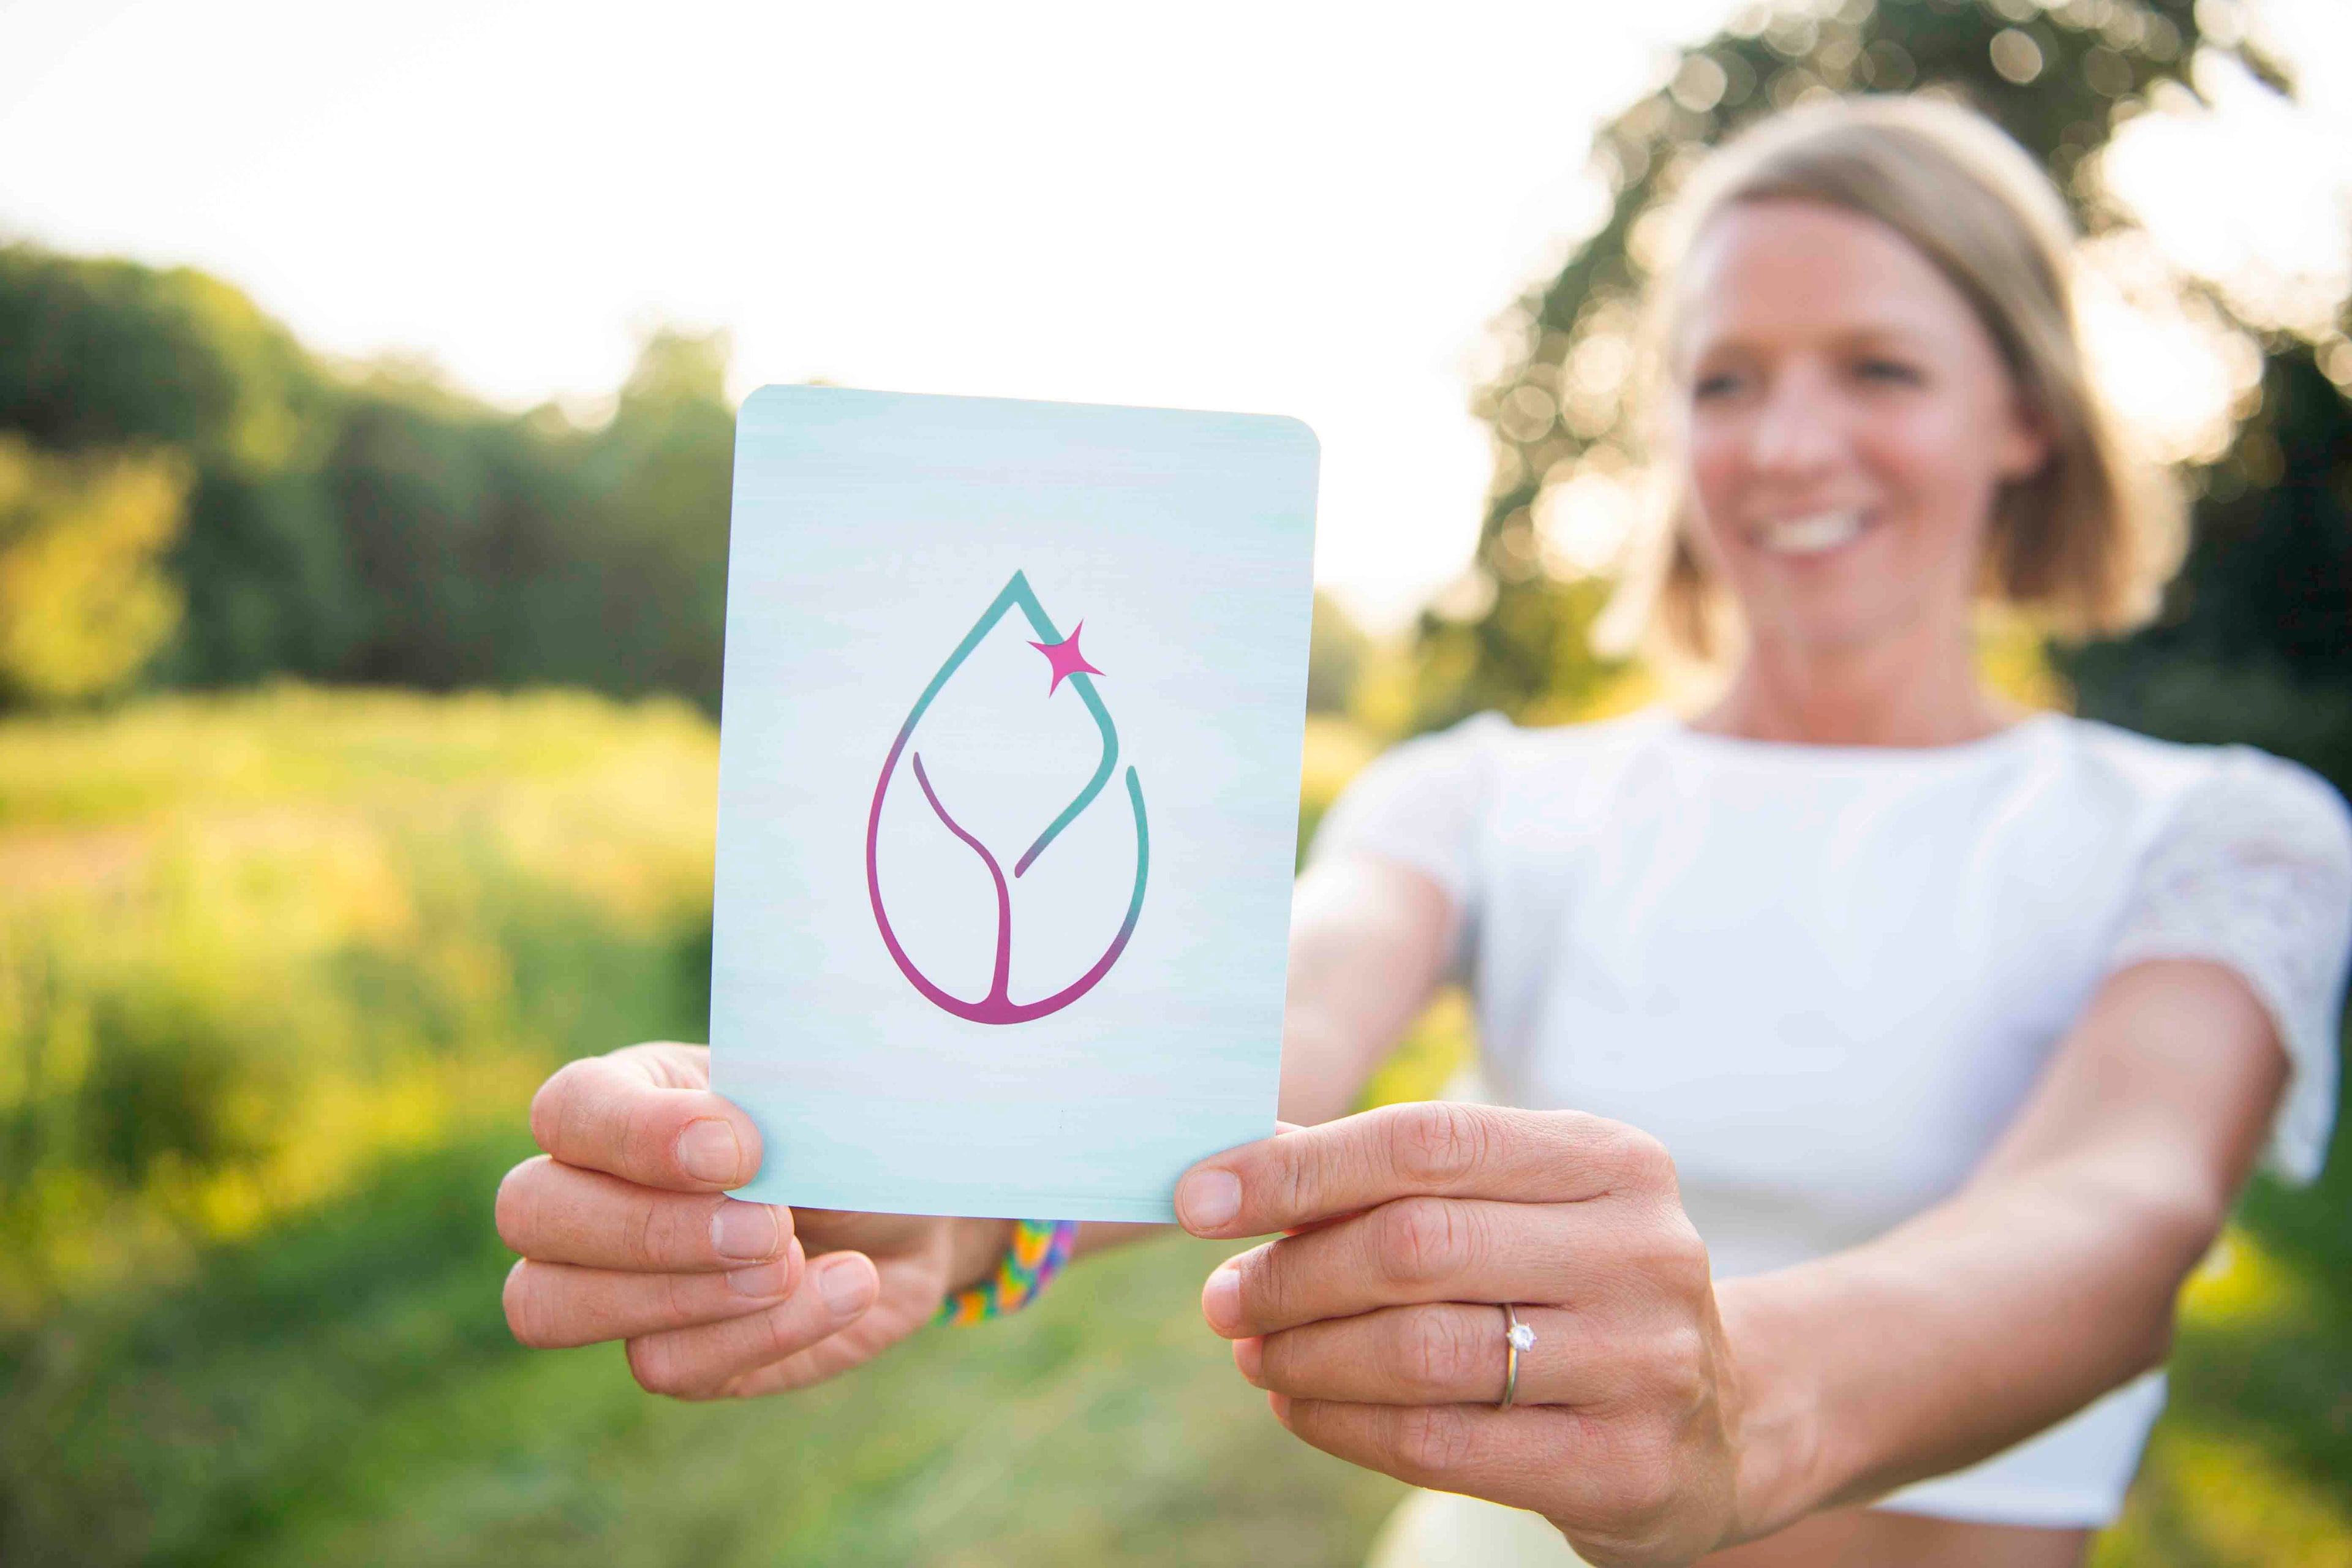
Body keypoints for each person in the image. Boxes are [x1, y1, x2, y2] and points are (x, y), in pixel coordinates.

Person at [490, 97, 2352, 1567]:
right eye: (1724, 379)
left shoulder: (2219, 835)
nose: (1785, 447)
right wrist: (938, 1190)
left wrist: (1741, 1413)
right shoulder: (1487, 791)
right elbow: (1257, 1037)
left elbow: (2115, 1213)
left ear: (2023, 411)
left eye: (1877, 369)